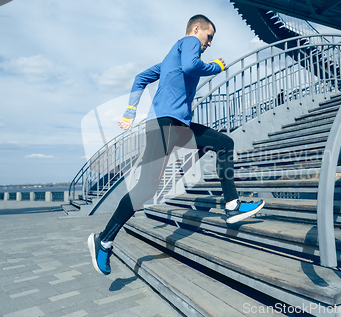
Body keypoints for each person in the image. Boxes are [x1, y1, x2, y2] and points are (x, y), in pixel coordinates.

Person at [88, 14, 265, 275]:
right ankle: (103, 240)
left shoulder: (170, 59)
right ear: (197, 29)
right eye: (209, 37)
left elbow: (140, 77)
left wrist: (129, 112)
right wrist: (216, 67)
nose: (209, 44)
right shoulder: (189, 42)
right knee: (145, 189)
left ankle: (232, 205)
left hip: (177, 128)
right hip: (166, 126)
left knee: (223, 143)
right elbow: (193, 67)